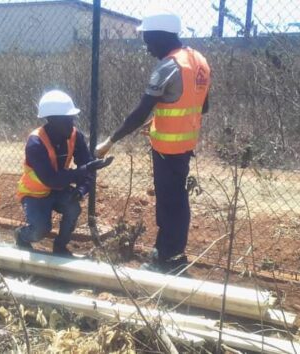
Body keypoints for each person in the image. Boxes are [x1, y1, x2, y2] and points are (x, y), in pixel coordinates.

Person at [95, 10, 211, 274]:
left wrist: (110, 141)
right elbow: (201, 106)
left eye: (148, 40)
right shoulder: (198, 61)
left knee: (169, 203)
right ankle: (173, 251)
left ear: (161, 36)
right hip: (184, 147)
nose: (147, 47)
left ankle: (165, 259)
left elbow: (140, 111)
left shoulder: (169, 66)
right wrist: (166, 120)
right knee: (177, 201)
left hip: (167, 151)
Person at [15, 90, 113, 256]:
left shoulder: (75, 136)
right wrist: (85, 169)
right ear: (52, 120)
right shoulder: (35, 143)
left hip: (58, 189)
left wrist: (81, 190)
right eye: (67, 119)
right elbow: (51, 180)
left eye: (72, 118)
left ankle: (60, 246)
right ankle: (22, 236)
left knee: (73, 208)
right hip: (34, 193)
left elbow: (87, 168)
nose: (72, 123)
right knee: (41, 229)